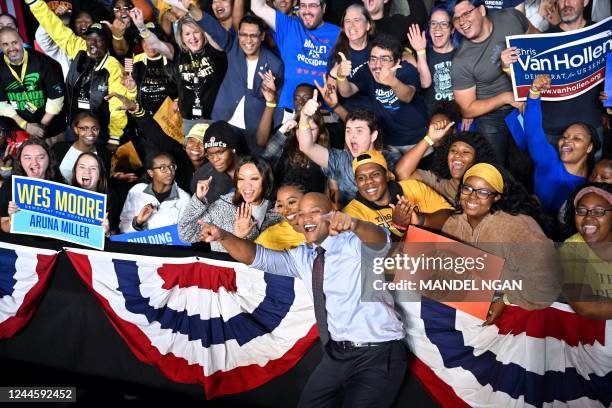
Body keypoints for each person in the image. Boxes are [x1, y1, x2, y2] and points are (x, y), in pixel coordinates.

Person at [198, 192, 407, 407]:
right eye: (301, 214)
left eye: (314, 213)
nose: (306, 219)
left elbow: (381, 241)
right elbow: (255, 256)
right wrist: (223, 236)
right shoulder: (303, 256)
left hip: (378, 353)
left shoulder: (354, 243)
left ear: (331, 214)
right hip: (337, 354)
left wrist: (354, 224)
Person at [442, 163, 560, 322]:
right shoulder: (453, 223)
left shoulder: (515, 226)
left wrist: (506, 300)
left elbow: (547, 284)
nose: (472, 196)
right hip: (466, 313)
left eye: (483, 192)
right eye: (467, 188)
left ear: (497, 196)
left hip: (515, 315)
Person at [26, 0, 128, 151]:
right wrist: (34, 3)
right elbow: (54, 27)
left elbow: (118, 106)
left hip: (100, 133)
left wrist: (114, 137)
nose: (93, 43)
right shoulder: (79, 49)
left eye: (99, 40)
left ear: (107, 43)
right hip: (74, 128)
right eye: (89, 38)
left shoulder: (113, 67)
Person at [450, 0, 527, 165]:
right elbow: (467, 109)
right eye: (456, 19)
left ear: (482, 10)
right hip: (492, 116)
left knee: (526, 164)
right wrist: (506, 97)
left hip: (525, 103)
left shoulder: (511, 18)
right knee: (494, 167)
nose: (462, 22)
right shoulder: (461, 61)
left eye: (466, 13)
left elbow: (536, 37)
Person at [198, 11, 285, 156]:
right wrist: (191, 8)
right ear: (238, 35)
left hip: (253, 130)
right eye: (243, 34)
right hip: (223, 120)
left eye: (254, 35)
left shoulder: (275, 64)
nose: (248, 40)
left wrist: (275, 132)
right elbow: (213, 27)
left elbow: (276, 103)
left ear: (262, 36)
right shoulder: (234, 48)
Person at [133, 4, 227, 132]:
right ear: (181, 37)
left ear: (203, 33)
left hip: (214, 120)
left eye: (196, 32)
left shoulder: (215, 51)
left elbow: (209, 28)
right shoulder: (178, 54)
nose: (192, 38)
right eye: (187, 34)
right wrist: (141, 28)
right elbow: (155, 43)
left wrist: (189, 10)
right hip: (188, 121)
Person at [520, 74, 599, 215]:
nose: (567, 141)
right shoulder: (548, 161)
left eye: (577, 138)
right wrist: (534, 92)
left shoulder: (594, 180)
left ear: (589, 147)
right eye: (565, 137)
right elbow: (533, 130)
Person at [336, 34, 429, 151]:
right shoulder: (366, 70)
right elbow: (347, 92)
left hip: (416, 139)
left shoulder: (406, 70)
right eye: (373, 58)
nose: (377, 65)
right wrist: (341, 77)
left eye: (384, 59)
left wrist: (393, 82)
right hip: (386, 142)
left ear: (396, 62)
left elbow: (408, 96)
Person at [538, 0, 605, 152]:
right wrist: (509, 68)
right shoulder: (542, 41)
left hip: (590, 130)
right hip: (551, 131)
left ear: (585, 1)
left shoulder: (602, 34)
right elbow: (528, 88)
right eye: (561, 0)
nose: (565, 4)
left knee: (592, 176)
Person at [250, 0, 340, 111]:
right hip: (289, 111)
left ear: (323, 8)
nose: (307, 11)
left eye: (312, 5)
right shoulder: (288, 26)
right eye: (303, 5)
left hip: (323, 112)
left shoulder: (338, 34)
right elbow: (257, 7)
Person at [178, 155, 281, 252]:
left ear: (266, 180)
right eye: (241, 179)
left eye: (254, 178)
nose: (246, 185)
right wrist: (198, 199)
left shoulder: (278, 209)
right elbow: (186, 234)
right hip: (227, 270)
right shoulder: (223, 207)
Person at [343, 150, 453, 239]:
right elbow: (372, 258)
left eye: (375, 174)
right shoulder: (351, 214)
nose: (368, 181)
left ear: (387, 175)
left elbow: (449, 214)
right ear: (356, 183)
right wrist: (398, 227)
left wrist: (420, 220)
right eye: (361, 178)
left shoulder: (413, 187)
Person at [297, 105, 393, 206]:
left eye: (359, 131)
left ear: (373, 135)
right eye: (348, 131)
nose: (352, 136)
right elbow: (306, 147)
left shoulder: (389, 159)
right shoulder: (340, 159)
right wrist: (304, 117)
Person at [395, 117, 498, 202]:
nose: (457, 155)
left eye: (465, 152)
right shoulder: (439, 183)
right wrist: (429, 139)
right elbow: (402, 173)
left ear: (477, 159)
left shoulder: (485, 189)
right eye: (453, 151)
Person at [0, 27, 66, 142]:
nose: (11, 48)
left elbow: (57, 98)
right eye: (5, 44)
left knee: (53, 156)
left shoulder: (43, 62)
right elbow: (1, 104)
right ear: (1, 46)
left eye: (14, 42)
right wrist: (25, 126)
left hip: (50, 126)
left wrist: (41, 126)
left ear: (21, 41)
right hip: (17, 128)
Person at [561, 183, 612, 319]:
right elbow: (587, 307)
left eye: (599, 211)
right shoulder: (571, 249)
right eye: (582, 211)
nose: (588, 218)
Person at [407, 8, 461, 119]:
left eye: (444, 24)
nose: (437, 28)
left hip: (458, 115)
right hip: (430, 118)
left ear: (452, 30)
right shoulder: (422, 53)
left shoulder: (462, 53)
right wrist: (420, 52)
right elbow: (424, 83)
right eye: (433, 23)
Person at [119, 152, 190, 232]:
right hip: (137, 244)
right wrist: (138, 223)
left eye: (172, 166)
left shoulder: (184, 198)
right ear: (151, 173)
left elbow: (186, 234)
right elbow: (123, 226)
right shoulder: (136, 191)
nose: (170, 172)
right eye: (163, 168)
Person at [0, 138, 60, 233]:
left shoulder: (62, 187)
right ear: (20, 161)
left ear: (49, 159)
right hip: (21, 244)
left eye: (40, 157)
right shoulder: (9, 185)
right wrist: (13, 219)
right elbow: (4, 226)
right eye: (28, 158)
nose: (34, 163)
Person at [127, 9, 178, 116]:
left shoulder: (172, 58)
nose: (149, 45)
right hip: (144, 118)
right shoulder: (133, 60)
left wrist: (177, 102)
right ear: (140, 42)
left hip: (170, 119)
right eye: (145, 41)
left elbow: (182, 88)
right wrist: (131, 90)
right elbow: (130, 96)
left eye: (153, 41)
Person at [326, 4, 375, 113]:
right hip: (350, 116)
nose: (351, 26)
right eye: (347, 21)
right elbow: (330, 95)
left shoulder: (378, 49)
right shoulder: (337, 55)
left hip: (381, 113)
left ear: (368, 25)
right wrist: (336, 76)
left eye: (356, 20)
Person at [276, 110, 329, 193]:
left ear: (320, 131)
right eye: (300, 128)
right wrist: (282, 131)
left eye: (311, 129)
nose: (304, 133)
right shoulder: (286, 148)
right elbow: (265, 163)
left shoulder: (326, 155)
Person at [52, 112, 111, 183]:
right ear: (76, 130)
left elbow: (105, 183)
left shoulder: (104, 155)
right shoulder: (59, 148)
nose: (90, 133)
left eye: (94, 129)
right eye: (84, 129)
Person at [71, 151, 120, 234]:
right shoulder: (64, 194)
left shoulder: (111, 198)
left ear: (100, 176)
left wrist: (107, 232)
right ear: (75, 172)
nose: (87, 171)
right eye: (82, 167)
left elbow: (116, 231)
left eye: (93, 168)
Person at [190, 120, 239, 200]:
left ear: (233, 149)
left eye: (220, 152)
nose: (215, 159)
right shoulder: (201, 176)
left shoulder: (254, 170)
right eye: (210, 155)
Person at [255, 182, 306, 249]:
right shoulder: (269, 236)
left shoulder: (321, 228)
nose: (285, 210)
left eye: (291, 202)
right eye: (280, 205)